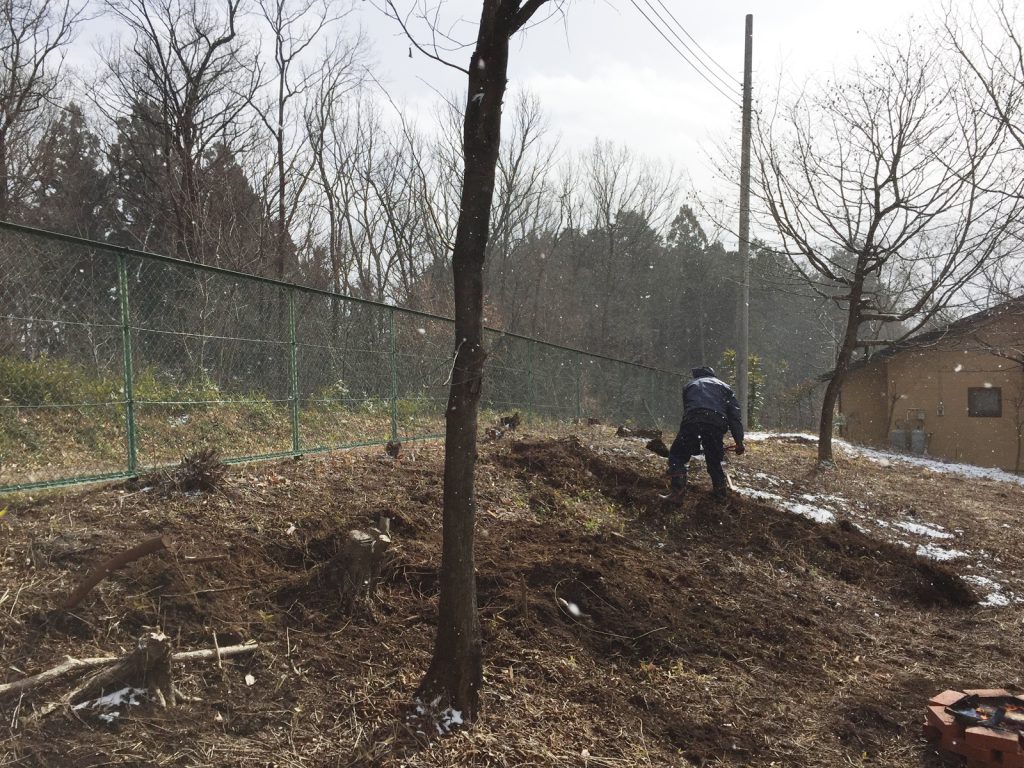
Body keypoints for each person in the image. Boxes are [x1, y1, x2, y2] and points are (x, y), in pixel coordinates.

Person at [665, 365, 745, 502]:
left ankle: (677, 493)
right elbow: (734, 417)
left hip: (693, 420)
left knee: (677, 456)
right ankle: (720, 496)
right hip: (716, 422)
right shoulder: (725, 387)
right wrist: (739, 441)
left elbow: (688, 410)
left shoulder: (690, 385)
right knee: (714, 460)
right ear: (712, 375)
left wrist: (693, 443)